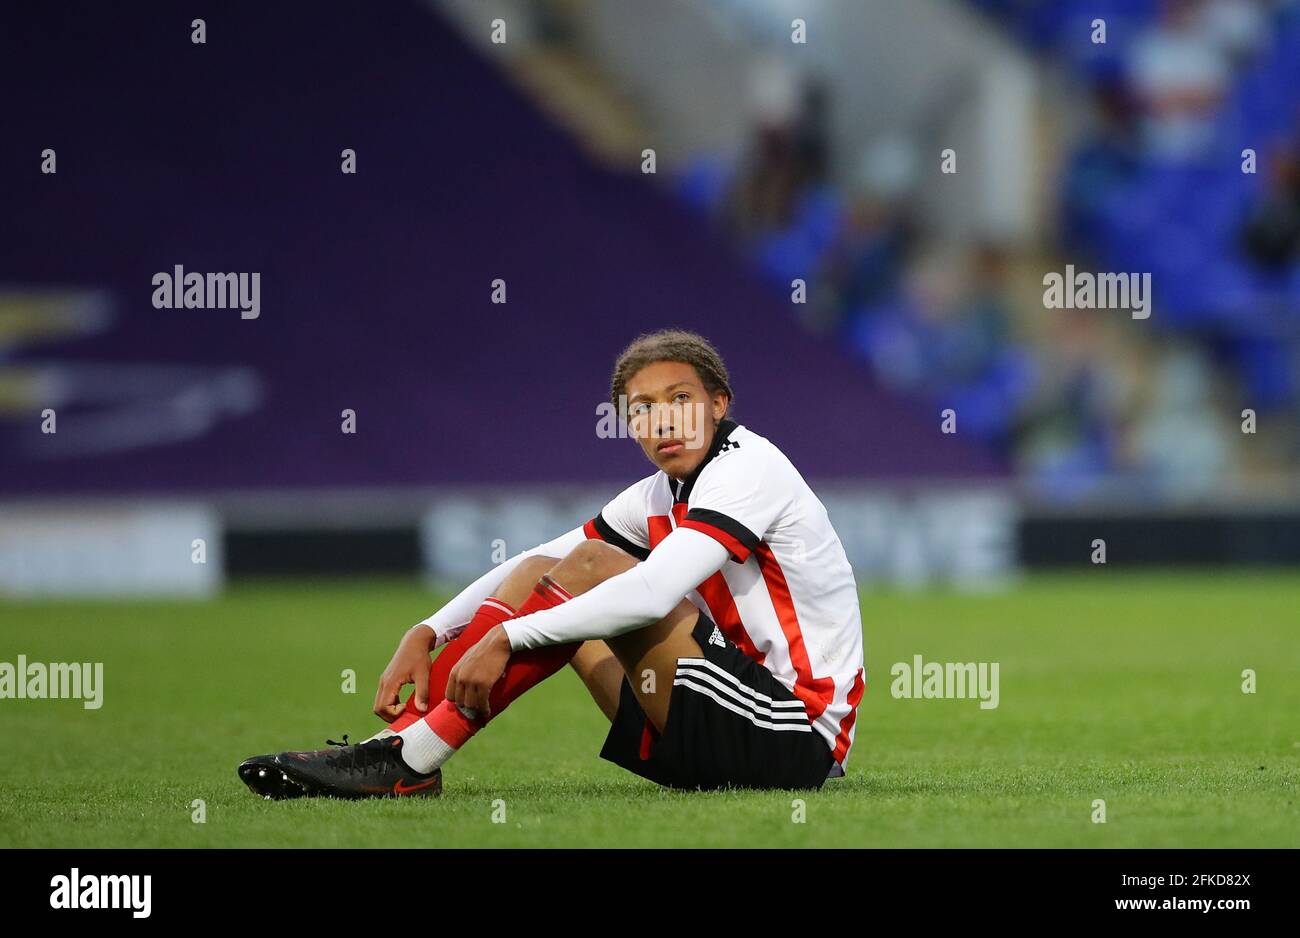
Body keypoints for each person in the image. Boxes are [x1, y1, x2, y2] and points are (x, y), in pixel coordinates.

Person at [239, 330, 866, 796]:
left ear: (719, 404)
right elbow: (539, 563)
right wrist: (428, 630)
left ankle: (408, 760)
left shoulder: (749, 467)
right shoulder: (657, 494)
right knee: (538, 572)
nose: (662, 419)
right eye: (642, 408)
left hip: (793, 736)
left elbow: (649, 594)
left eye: (680, 398)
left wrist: (507, 636)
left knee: (591, 567)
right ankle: (400, 747)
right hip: (711, 729)